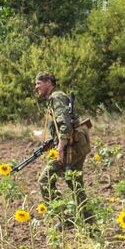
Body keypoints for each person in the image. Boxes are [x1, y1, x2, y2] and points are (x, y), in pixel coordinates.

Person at [35, 72, 89, 212]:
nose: (36, 87)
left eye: (38, 83)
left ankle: (63, 217)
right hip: (77, 145)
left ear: (48, 83)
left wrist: (59, 148)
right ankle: (89, 223)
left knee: (45, 180)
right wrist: (52, 141)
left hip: (71, 147)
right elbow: (62, 126)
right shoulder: (56, 98)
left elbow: (64, 123)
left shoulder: (56, 97)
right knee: (74, 183)